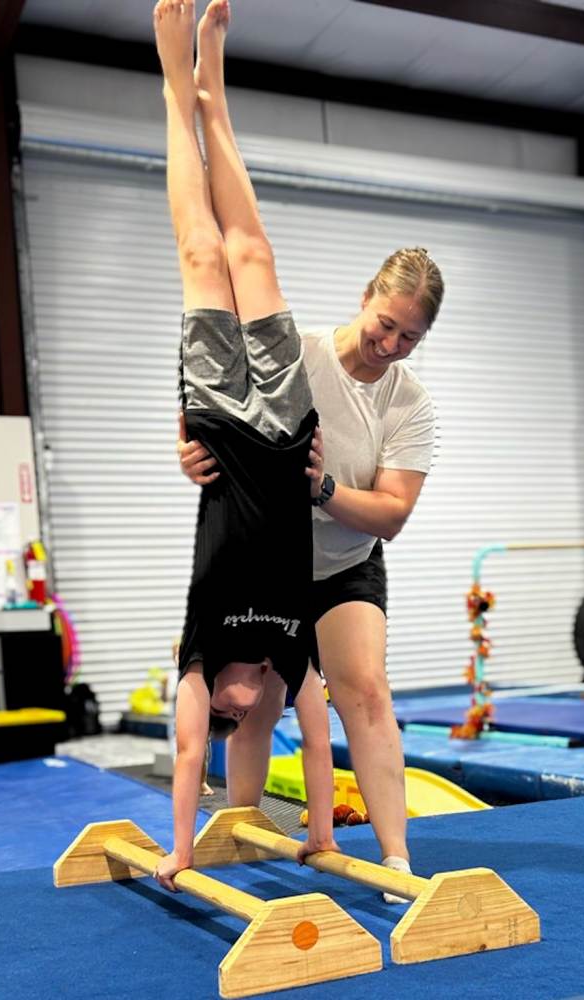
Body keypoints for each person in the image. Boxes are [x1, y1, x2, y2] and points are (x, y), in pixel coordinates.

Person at [180, 252, 445, 896]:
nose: (390, 345)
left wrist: (322, 488)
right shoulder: (299, 353)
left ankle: (395, 859)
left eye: (409, 337)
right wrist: (191, 451)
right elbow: (212, 408)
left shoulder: (409, 402)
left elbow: (391, 514)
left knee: (365, 687)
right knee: (258, 701)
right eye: (386, 325)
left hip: (346, 563)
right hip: (270, 562)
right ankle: (241, 825)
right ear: (365, 297)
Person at [150, 0, 338, 892]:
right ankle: (214, 92)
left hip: (224, 426)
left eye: (236, 710)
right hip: (289, 431)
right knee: (252, 252)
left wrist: (182, 848)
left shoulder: (196, 654)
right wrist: (326, 836)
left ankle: (170, 81)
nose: (249, 701)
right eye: (250, 706)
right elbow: (316, 731)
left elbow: (184, 758)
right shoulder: (290, 654)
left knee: (199, 251)